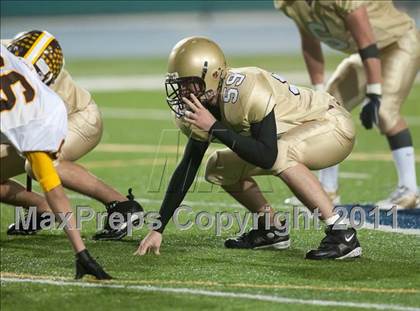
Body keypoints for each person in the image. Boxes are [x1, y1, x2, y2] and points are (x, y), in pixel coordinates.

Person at [134, 36, 362, 260]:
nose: (184, 93)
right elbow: (188, 166)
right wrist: (158, 228)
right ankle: (271, 229)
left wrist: (214, 127)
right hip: (292, 136)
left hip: (331, 126)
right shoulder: (202, 106)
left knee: (282, 152)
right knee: (218, 167)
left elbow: (267, 155)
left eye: (189, 83)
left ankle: (342, 233)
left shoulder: (246, 88)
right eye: (180, 85)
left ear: (214, 75)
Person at [274, 0, 420, 209]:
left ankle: (410, 190)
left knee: (385, 112)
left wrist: (374, 93)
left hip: (399, 43)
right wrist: (318, 90)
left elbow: (366, 40)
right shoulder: (291, 3)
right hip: (366, 53)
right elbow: (310, 43)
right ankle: (327, 188)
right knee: (327, 109)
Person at [1, 30, 142, 240]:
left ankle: (123, 206)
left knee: (39, 164)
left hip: (80, 118)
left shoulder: (44, 100)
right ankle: (42, 208)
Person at [1, 43, 111, 279]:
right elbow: (53, 188)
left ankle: (42, 210)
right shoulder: (37, 111)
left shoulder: (34, 115)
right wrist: (81, 252)